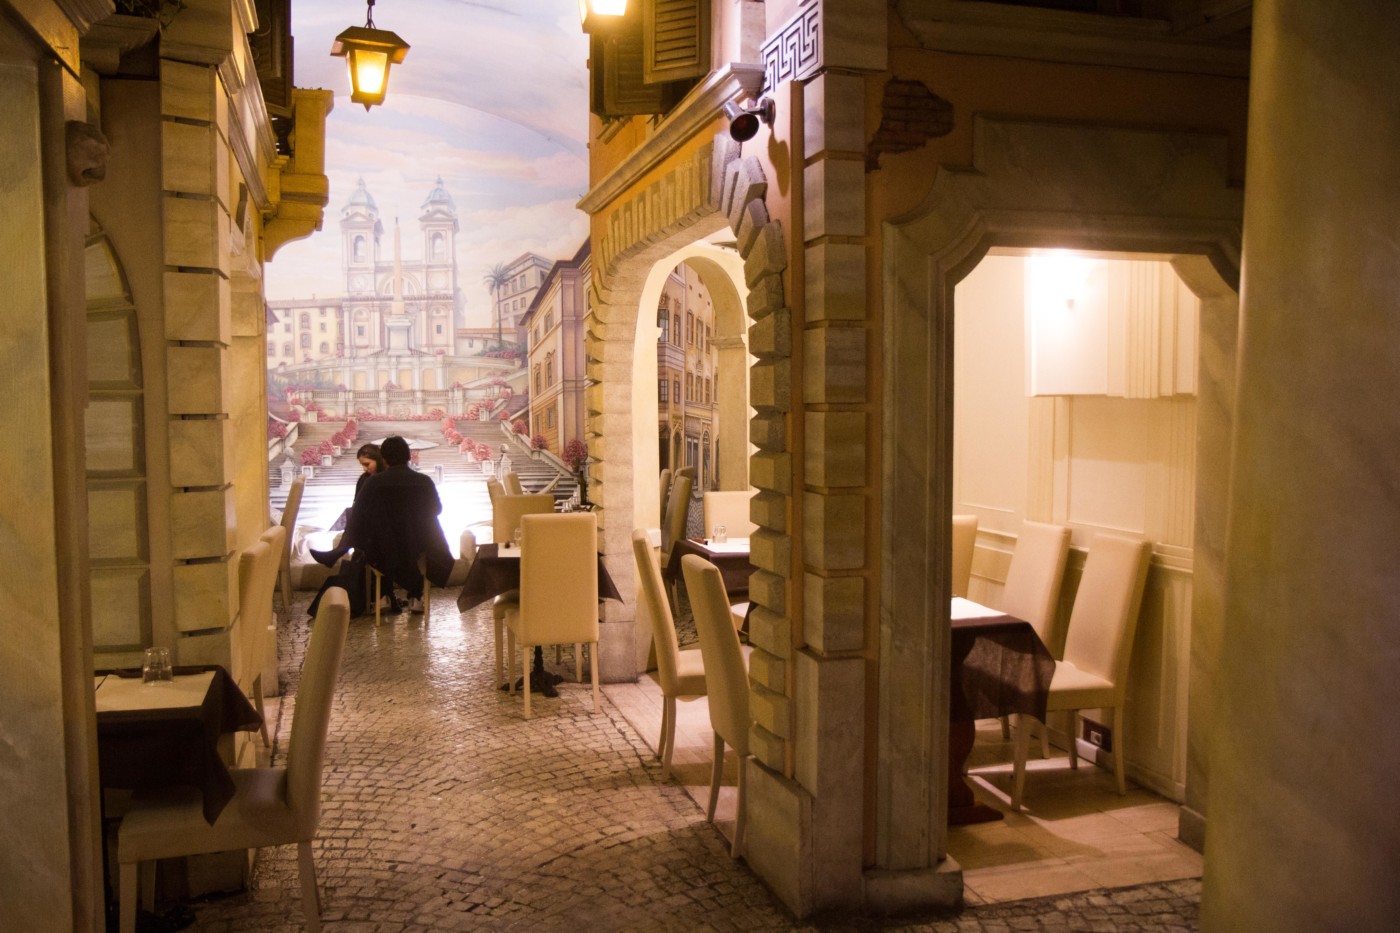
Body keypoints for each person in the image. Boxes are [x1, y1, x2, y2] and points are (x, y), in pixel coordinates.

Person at [335, 435, 452, 613]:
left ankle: (383, 597)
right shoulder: (424, 481)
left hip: (383, 548)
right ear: (408, 456)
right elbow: (436, 509)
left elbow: (360, 514)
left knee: (378, 544)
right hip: (417, 545)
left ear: (384, 459)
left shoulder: (373, 482)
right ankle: (416, 597)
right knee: (411, 546)